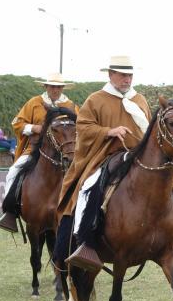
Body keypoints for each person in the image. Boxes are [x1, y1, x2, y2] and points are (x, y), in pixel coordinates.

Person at [55, 55, 153, 271]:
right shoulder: (96, 99)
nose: (127, 79)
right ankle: (82, 242)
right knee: (86, 188)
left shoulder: (140, 100)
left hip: (138, 157)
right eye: (123, 75)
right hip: (105, 157)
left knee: (171, 184)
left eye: (130, 75)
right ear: (111, 75)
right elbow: (83, 127)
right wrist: (109, 131)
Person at [0, 73, 79, 232]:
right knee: (13, 171)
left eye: (59, 87)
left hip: (65, 152)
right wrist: (34, 128)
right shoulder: (34, 103)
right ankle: (10, 212)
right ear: (45, 87)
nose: (55, 90)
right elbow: (17, 123)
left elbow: (80, 126)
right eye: (52, 86)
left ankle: (81, 216)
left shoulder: (71, 106)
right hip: (35, 149)